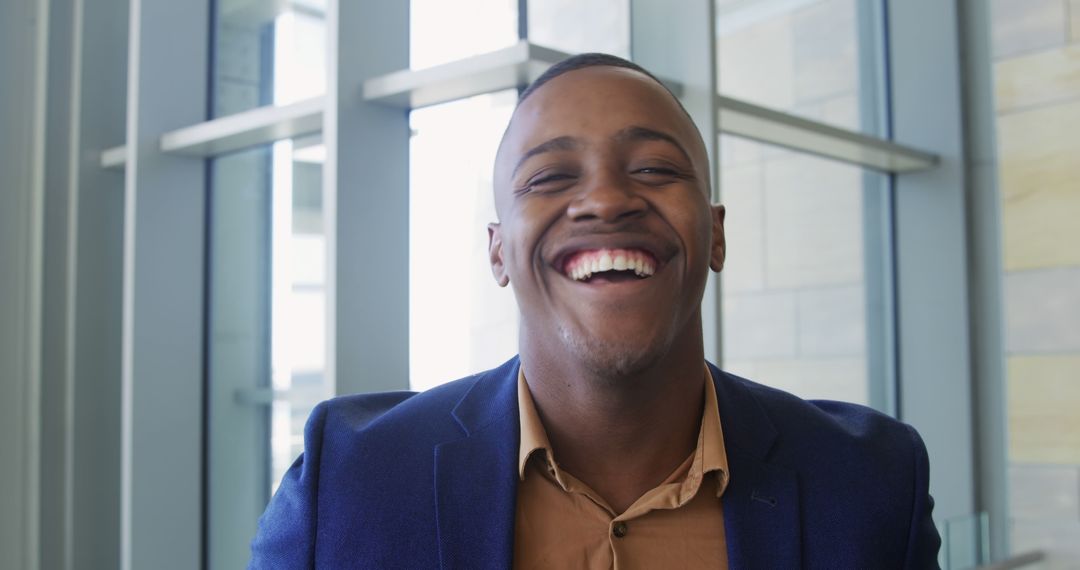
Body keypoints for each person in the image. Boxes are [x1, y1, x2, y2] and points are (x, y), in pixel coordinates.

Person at [249, 53, 941, 569]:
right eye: (550, 177)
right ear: (497, 252)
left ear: (716, 232)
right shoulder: (350, 482)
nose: (607, 200)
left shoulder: (872, 483)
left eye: (654, 169)